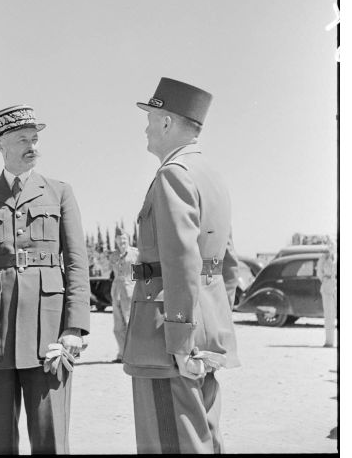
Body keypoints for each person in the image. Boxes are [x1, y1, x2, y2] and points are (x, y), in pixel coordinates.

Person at [0, 104, 90, 454]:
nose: (32, 146)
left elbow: (76, 264)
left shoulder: (60, 192)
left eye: (35, 139)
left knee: (51, 440)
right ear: (1, 145)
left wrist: (74, 327)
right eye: (23, 139)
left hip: (49, 336)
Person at [122, 77, 240, 454]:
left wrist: (179, 341)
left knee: (170, 442)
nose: (146, 128)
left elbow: (180, 259)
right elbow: (228, 265)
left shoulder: (173, 173)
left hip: (167, 337)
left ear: (167, 122)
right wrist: (211, 322)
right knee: (204, 439)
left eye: (150, 119)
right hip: (205, 325)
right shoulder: (211, 175)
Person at [109, 229, 138, 363]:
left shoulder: (136, 254)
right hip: (116, 292)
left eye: (124, 239)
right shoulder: (113, 255)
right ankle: (122, 354)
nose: (122, 242)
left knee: (131, 323)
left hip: (130, 291)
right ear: (116, 241)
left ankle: (134, 354)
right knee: (118, 326)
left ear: (128, 239)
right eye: (119, 239)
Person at [319, 241, 337, 347]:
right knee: (329, 316)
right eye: (329, 245)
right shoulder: (323, 258)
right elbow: (319, 273)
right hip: (327, 287)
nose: (331, 247)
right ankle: (329, 341)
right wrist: (326, 281)